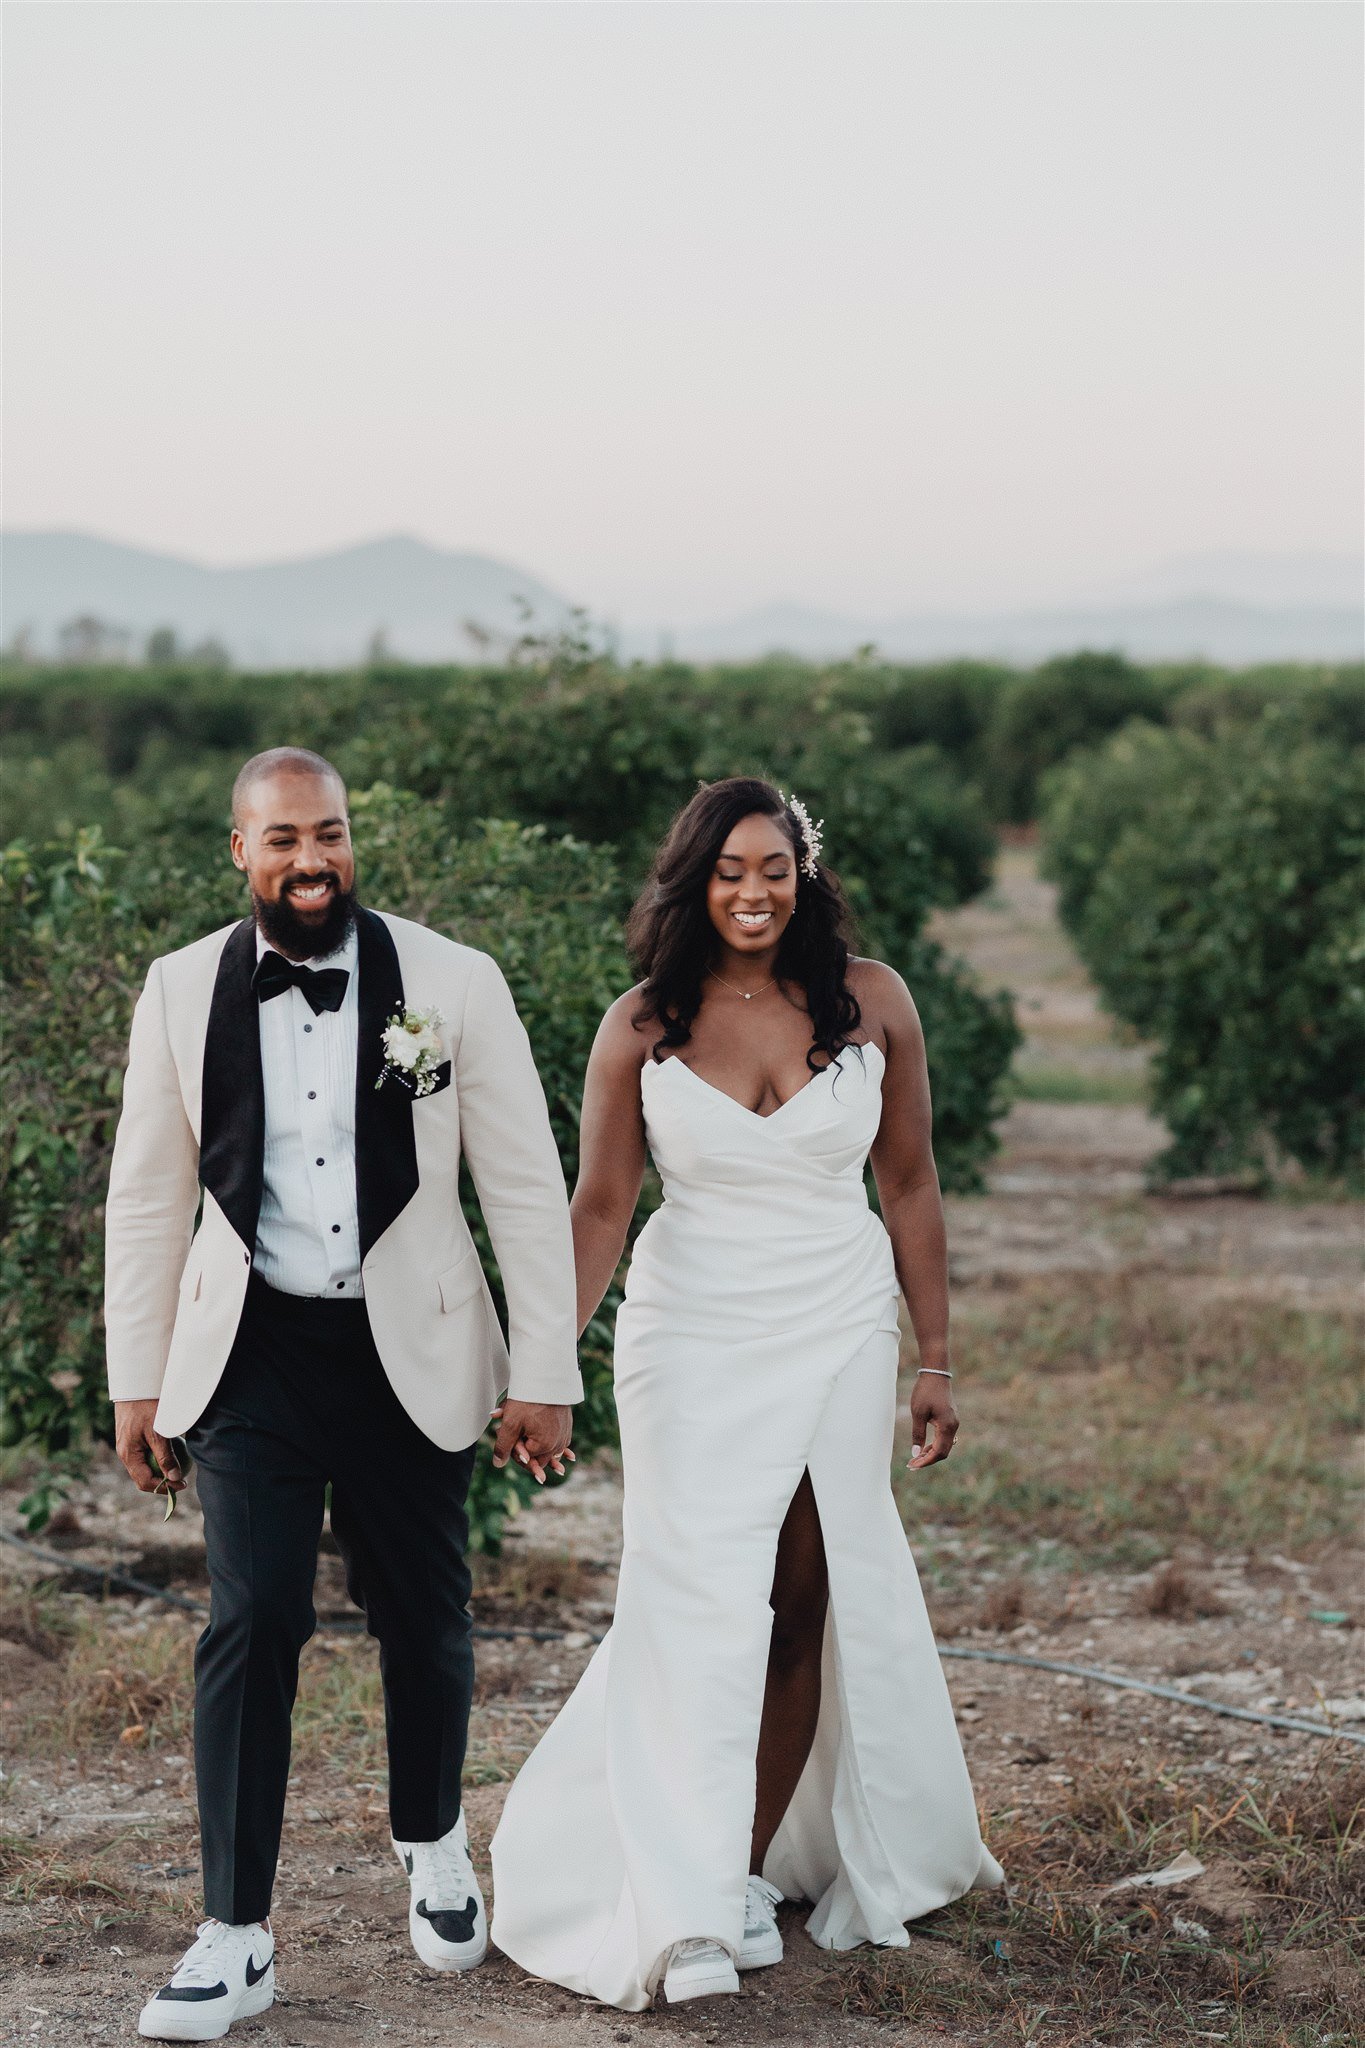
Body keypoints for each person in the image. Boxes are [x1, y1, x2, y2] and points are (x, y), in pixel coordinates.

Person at [491, 777, 1003, 2010]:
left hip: (834, 1318)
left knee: (803, 1591)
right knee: (696, 1592)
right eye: (729, 869)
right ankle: (677, 1876)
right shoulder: (643, 1023)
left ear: (805, 871)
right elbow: (601, 1205)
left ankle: (737, 1867)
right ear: (694, 880)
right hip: (691, 1333)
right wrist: (542, 1363)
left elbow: (914, 1186)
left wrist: (933, 1355)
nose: (753, 889)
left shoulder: (873, 1002)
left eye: (773, 865)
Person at [105, 747, 580, 2042]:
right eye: (281, 841)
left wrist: (546, 1368)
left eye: (329, 835)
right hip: (249, 1347)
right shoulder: (178, 989)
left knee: (422, 1610)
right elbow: (147, 1194)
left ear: (350, 840)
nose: (309, 861)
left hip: (408, 1344)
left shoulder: (452, 982)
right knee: (251, 1620)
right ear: (240, 852)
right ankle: (234, 1935)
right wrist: (134, 1378)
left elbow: (524, 1186)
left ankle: (430, 1837)